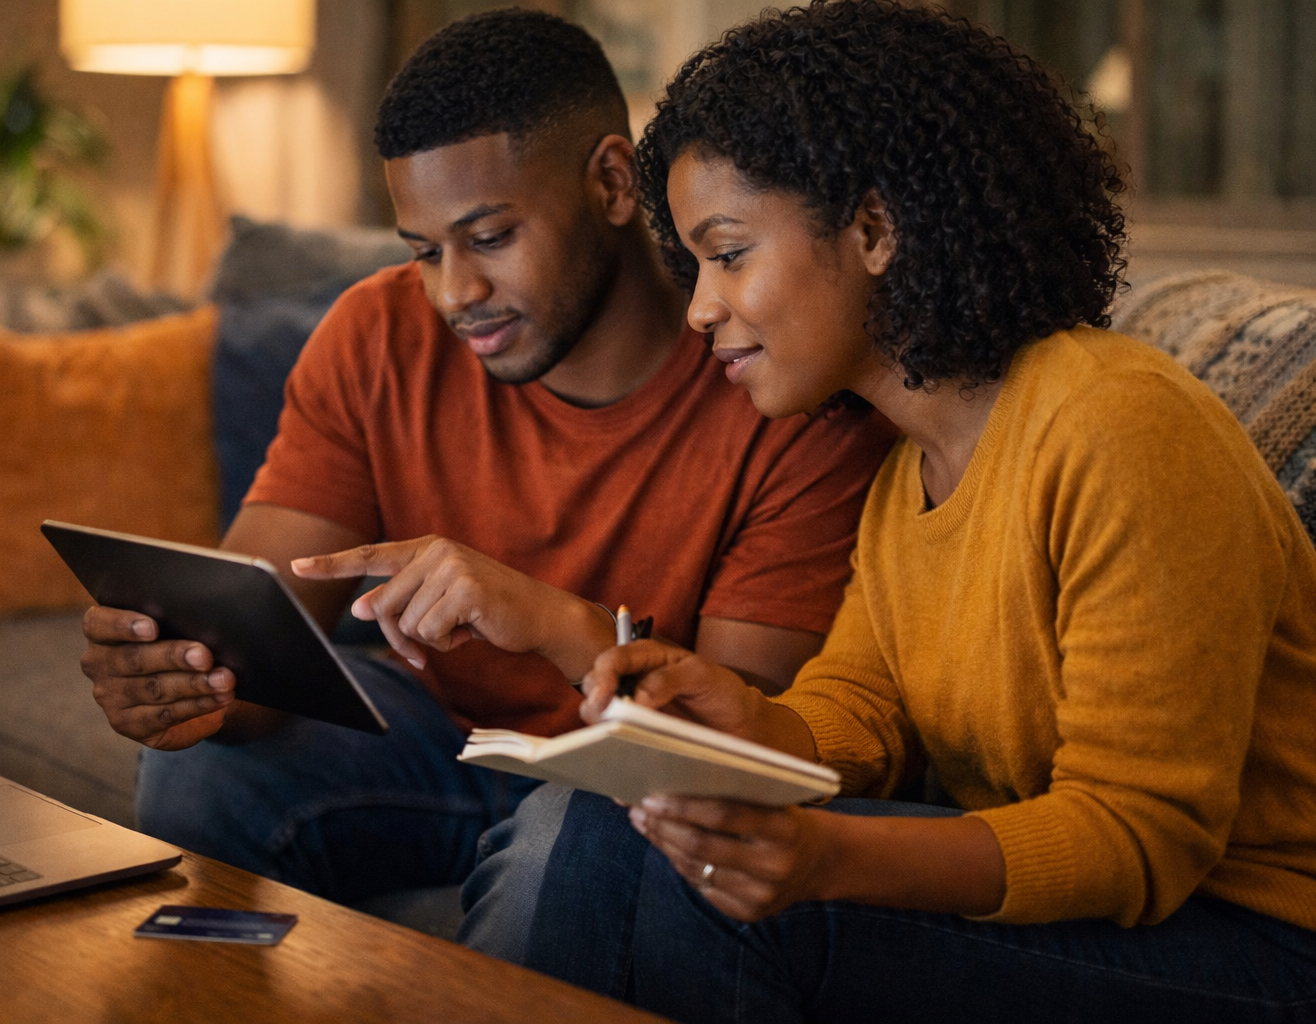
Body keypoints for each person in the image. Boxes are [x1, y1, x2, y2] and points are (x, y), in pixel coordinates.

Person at [460, 3, 1316, 1019]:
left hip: (1255, 940)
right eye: (695, 266)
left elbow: (1138, 833)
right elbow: (863, 714)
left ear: (874, 230)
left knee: (710, 893)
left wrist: (824, 856)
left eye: (728, 254)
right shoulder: (907, 471)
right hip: (1117, 926)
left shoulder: (1119, 425)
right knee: (603, 817)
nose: (699, 308)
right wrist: (736, 721)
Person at [76, 8, 895, 927]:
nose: (454, 293)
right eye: (425, 252)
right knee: (200, 772)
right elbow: (255, 663)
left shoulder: (778, 376)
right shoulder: (377, 334)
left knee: (563, 843)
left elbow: (730, 755)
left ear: (613, 181)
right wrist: (187, 679)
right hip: (444, 740)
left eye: (491, 237)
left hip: (628, 782)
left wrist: (552, 623)